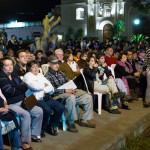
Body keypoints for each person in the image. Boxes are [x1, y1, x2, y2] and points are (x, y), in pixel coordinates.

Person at [0, 57, 43, 150]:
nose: (9, 67)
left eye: (11, 64)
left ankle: (33, 134)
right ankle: (24, 141)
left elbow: (25, 86)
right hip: (10, 104)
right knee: (25, 115)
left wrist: (18, 88)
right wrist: (19, 88)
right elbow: (9, 91)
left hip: (22, 101)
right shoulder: (1, 77)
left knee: (39, 111)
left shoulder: (14, 75)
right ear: (2, 67)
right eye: (6, 65)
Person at [45, 56, 96, 132]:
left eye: (57, 63)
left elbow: (68, 82)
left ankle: (84, 120)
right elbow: (51, 91)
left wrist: (71, 87)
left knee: (87, 96)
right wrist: (65, 90)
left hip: (68, 94)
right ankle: (71, 122)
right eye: (54, 63)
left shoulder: (61, 73)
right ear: (49, 64)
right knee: (71, 97)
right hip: (58, 96)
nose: (57, 65)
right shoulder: (47, 76)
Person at [23, 60, 64, 136]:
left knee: (60, 107)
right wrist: (43, 85)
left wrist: (42, 88)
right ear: (29, 69)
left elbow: (50, 87)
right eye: (33, 67)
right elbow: (34, 87)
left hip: (45, 96)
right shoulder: (27, 76)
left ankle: (51, 125)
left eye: (36, 66)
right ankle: (42, 128)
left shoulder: (40, 75)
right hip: (35, 99)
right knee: (47, 110)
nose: (35, 68)